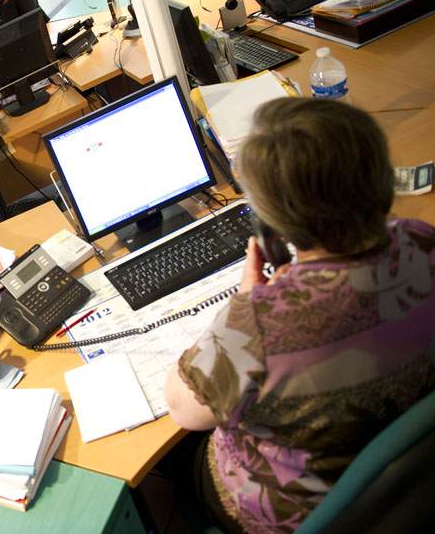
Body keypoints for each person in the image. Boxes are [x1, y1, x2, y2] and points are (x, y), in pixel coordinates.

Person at [162, 97, 435, 534]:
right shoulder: (422, 241)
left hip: (299, 509)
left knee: (169, 458)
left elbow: (183, 410)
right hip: (398, 470)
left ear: (275, 227)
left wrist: (245, 303)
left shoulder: (261, 326)